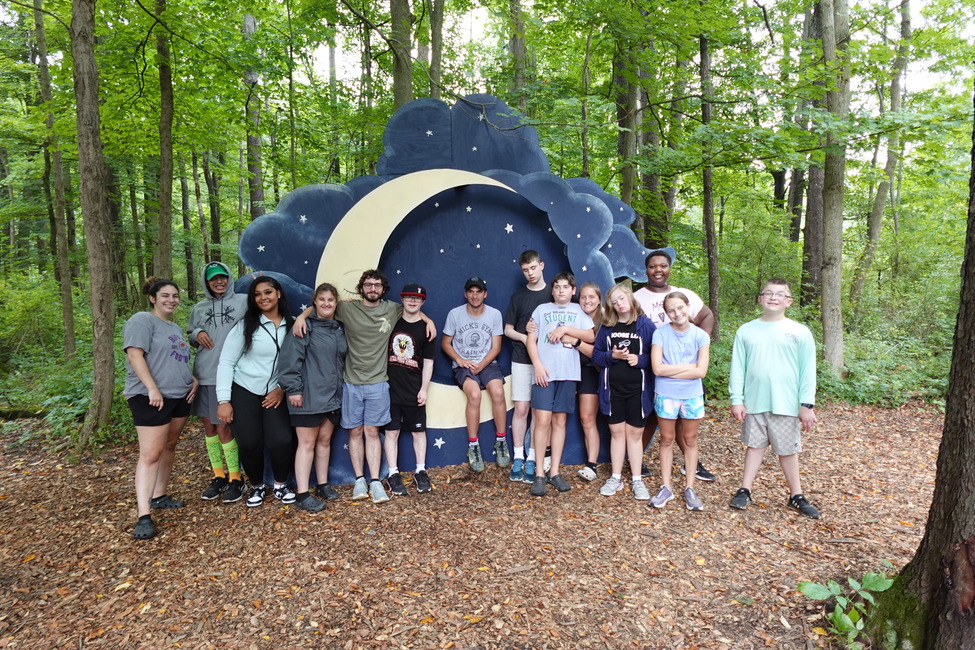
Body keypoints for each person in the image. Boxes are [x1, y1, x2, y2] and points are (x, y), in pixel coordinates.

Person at [293, 270, 435, 504]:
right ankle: (360, 479)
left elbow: (414, 309)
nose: (372, 289)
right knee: (355, 432)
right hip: (351, 383)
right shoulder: (347, 309)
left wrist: (429, 321)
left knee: (372, 432)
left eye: (377, 285)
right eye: (368, 285)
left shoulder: (392, 308)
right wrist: (302, 317)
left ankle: (376, 481)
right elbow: (322, 307)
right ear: (361, 288)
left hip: (378, 383)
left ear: (383, 289)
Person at [728, 278, 820, 519]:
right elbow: (738, 367)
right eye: (768, 293)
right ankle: (745, 489)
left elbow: (807, 369)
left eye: (780, 294)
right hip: (755, 401)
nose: (773, 297)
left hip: (786, 403)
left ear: (788, 301)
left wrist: (806, 404)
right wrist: (736, 399)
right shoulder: (746, 330)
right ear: (760, 299)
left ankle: (796, 495)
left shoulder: (799, 331)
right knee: (754, 446)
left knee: (787, 450)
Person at [633, 246, 717, 482]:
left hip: (682, 374)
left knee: (683, 419)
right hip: (647, 366)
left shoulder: (684, 295)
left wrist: (700, 344)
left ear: (669, 269)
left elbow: (707, 316)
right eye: (652, 266)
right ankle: (636, 462)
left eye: (663, 265)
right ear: (646, 270)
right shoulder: (637, 298)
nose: (658, 270)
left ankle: (693, 464)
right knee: (648, 415)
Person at [123, 278, 198, 540]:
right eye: (165, 295)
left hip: (179, 396)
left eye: (175, 296)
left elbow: (176, 359)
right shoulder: (142, 320)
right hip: (150, 397)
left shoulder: (175, 327)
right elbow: (135, 354)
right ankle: (143, 515)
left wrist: (193, 379)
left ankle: (160, 495)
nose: (171, 300)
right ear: (153, 298)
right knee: (150, 454)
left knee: (170, 445)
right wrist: (152, 388)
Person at [216, 276, 296, 508]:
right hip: (244, 389)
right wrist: (224, 400)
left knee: (281, 440)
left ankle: (281, 485)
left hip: (275, 392)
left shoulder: (292, 325)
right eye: (258, 294)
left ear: (278, 294)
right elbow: (226, 362)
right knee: (250, 442)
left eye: (268, 292)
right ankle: (258, 485)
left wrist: (282, 389)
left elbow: (297, 363)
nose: (263, 297)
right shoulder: (245, 325)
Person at [278, 283, 347, 512]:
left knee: (324, 441)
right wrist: (293, 389)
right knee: (306, 444)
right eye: (322, 299)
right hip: (308, 396)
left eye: (331, 300)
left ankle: (323, 484)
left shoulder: (338, 328)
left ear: (336, 302)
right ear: (314, 302)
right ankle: (302, 493)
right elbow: (290, 361)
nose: (326, 304)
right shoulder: (304, 327)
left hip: (332, 396)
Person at [525, 272, 594, 496]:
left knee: (560, 421)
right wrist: (536, 364)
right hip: (544, 373)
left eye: (566, 287)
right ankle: (539, 473)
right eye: (557, 287)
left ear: (573, 291)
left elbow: (591, 336)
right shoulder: (542, 310)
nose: (561, 290)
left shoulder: (579, 311)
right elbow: (530, 338)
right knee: (542, 420)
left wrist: (564, 329)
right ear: (552, 290)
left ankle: (554, 472)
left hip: (568, 374)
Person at [187, 261, 248, 504]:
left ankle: (236, 478)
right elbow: (190, 333)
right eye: (214, 279)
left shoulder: (243, 301)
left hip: (234, 375)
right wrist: (195, 334)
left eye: (223, 277)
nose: (219, 282)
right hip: (205, 373)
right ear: (207, 282)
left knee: (224, 427)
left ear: (229, 278)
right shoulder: (200, 307)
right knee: (209, 428)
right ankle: (218, 475)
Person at [592, 283, 656, 500]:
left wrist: (639, 360)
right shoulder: (607, 327)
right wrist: (612, 356)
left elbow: (655, 358)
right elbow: (596, 356)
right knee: (617, 434)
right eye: (614, 301)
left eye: (622, 298)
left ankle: (637, 480)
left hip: (639, 391)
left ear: (630, 298)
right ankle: (616, 477)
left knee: (635, 435)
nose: (619, 304)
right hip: (613, 391)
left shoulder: (645, 325)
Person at [649, 292, 710, 511]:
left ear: (688, 306)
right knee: (666, 439)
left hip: (692, 395)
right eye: (671, 310)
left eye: (680, 308)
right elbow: (657, 368)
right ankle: (666, 487)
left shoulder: (700, 336)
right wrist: (689, 367)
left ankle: (690, 488)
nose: (677, 313)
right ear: (666, 314)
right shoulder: (660, 334)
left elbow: (701, 371)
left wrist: (670, 370)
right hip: (666, 394)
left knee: (690, 439)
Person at [442, 276, 507, 472]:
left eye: (479, 291)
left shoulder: (494, 314)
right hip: (463, 365)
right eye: (471, 291)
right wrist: (460, 360)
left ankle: (501, 441)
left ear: (485, 294)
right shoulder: (455, 314)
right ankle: (473, 445)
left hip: (487, 363)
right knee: (475, 394)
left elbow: (496, 347)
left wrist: (482, 365)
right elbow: (445, 343)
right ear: (466, 294)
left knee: (497, 392)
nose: (475, 295)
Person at [384, 283, 437, 496]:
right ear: (402, 299)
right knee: (392, 431)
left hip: (414, 388)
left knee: (418, 431)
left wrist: (424, 389)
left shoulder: (427, 329)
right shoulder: (391, 322)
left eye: (417, 298)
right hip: (390, 388)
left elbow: (429, 362)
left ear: (423, 302)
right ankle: (393, 473)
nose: (412, 301)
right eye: (408, 297)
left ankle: (420, 471)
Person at [503, 250, 549, 481]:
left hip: (548, 363)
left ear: (541, 265)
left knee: (540, 413)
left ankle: (534, 458)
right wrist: (525, 337)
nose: (530, 273)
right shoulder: (518, 297)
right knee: (521, 409)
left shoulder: (554, 293)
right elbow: (507, 329)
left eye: (533, 268)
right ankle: (518, 457)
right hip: (521, 359)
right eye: (525, 270)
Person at [556, 281, 605, 481]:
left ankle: (592, 465)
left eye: (591, 297)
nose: (587, 301)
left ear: (599, 299)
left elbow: (599, 355)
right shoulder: (574, 314)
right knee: (556, 416)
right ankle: (549, 457)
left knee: (587, 418)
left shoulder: (606, 320)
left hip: (589, 371)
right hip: (566, 369)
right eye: (583, 297)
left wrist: (575, 341)